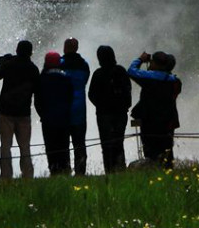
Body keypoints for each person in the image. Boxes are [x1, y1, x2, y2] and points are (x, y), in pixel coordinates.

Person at [0, 41, 39, 180]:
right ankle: (28, 175)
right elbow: (37, 90)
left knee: (5, 145)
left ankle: (6, 176)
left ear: (17, 50)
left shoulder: (9, 64)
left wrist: (2, 62)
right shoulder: (33, 68)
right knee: (25, 147)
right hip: (23, 112)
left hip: (6, 111)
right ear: (30, 52)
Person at [128, 52, 181, 166]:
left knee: (150, 149)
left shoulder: (149, 78)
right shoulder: (175, 81)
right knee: (167, 149)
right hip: (167, 120)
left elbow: (131, 71)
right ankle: (167, 169)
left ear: (156, 64)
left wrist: (140, 59)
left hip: (149, 120)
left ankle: (152, 168)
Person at [89, 45, 132, 171]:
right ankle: (120, 167)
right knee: (119, 142)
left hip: (103, 114)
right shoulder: (121, 71)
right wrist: (125, 106)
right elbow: (128, 90)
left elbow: (91, 94)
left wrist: (100, 105)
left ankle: (109, 170)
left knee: (106, 144)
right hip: (120, 113)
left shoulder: (98, 73)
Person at [34, 51, 72, 175]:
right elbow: (70, 98)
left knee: (51, 147)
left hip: (48, 119)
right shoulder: (65, 77)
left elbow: (37, 101)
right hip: (63, 118)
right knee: (64, 146)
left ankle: (54, 170)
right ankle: (65, 169)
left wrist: (43, 115)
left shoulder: (41, 78)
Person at [60, 40, 91, 174]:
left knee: (63, 145)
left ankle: (64, 170)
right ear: (77, 48)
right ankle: (80, 172)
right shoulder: (84, 65)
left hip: (63, 110)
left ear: (65, 48)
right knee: (79, 144)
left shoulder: (59, 63)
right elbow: (84, 82)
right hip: (79, 110)